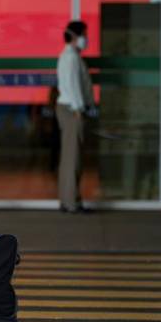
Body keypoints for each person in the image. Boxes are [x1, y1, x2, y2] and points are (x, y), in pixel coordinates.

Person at [56, 21, 94, 214]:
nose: (86, 38)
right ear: (74, 36)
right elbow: (73, 86)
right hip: (72, 110)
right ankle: (72, 203)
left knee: (69, 157)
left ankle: (67, 200)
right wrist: (79, 109)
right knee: (73, 159)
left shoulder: (69, 56)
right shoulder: (70, 58)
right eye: (84, 34)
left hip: (69, 109)